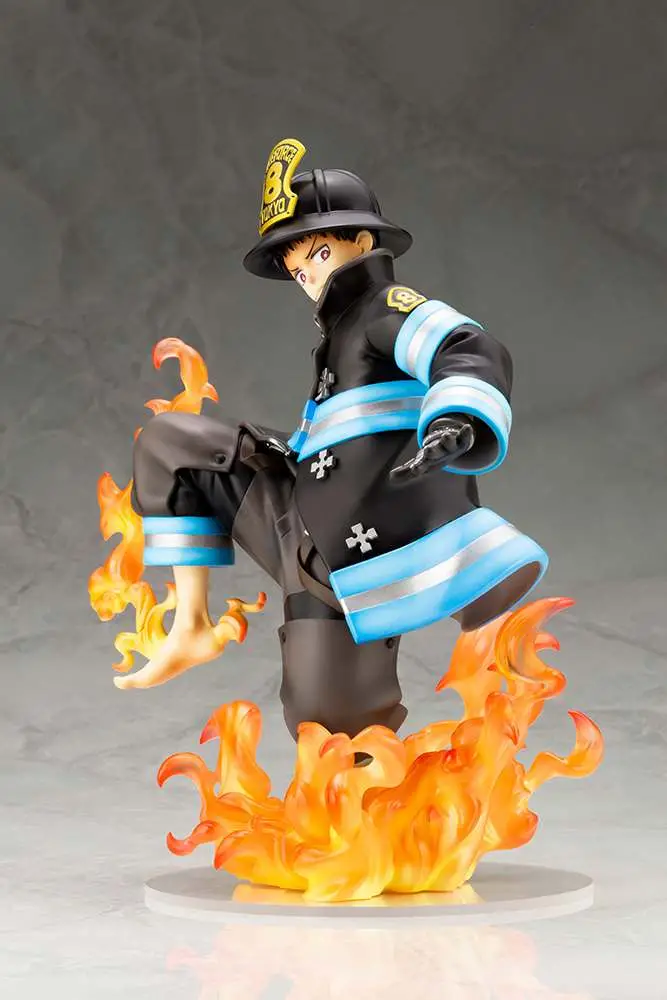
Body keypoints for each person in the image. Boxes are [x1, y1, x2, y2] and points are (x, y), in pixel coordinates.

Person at [122, 138, 548, 751]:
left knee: (328, 728)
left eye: (320, 254)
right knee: (171, 445)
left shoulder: (384, 308)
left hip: (352, 562)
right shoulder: (336, 334)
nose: (310, 278)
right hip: (296, 517)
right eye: (299, 271)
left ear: (364, 242)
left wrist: (456, 418)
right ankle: (191, 624)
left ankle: (366, 793)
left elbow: (467, 348)